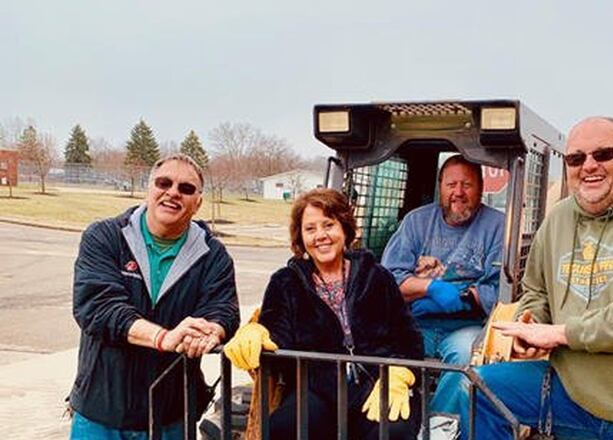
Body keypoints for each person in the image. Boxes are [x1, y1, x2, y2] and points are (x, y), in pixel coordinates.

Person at [459, 117, 613, 439]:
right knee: (481, 389)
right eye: (576, 158)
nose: (589, 166)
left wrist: (560, 334)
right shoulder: (558, 219)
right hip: (574, 393)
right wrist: (531, 323)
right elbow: (536, 291)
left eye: (603, 154)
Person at [224, 188, 424, 439]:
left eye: (328, 225)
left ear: (344, 228)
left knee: (393, 431)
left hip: (377, 382)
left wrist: (399, 372)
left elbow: (408, 337)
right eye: (310, 229)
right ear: (301, 237)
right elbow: (277, 328)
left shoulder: (378, 276)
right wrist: (258, 331)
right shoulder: (286, 281)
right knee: (285, 427)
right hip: (318, 387)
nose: (321, 236)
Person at [69, 154, 240, 439]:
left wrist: (213, 329)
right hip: (100, 412)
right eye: (164, 183)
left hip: (170, 416)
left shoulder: (214, 256)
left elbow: (224, 309)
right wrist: (163, 338)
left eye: (186, 188)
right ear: (149, 189)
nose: (173, 192)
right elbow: (97, 307)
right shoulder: (104, 237)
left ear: (198, 202)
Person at [381, 154, 505, 414]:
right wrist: (429, 289)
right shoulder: (416, 222)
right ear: (440, 188)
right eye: (451, 185)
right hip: (416, 324)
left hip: (467, 326)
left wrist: (465, 299)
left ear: (481, 188)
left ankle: (437, 426)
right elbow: (389, 279)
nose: (458, 192)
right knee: (385, 354)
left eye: (467, 185)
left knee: (464, 360)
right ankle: (397, 423)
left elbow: (500, 290)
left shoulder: (497, 226)